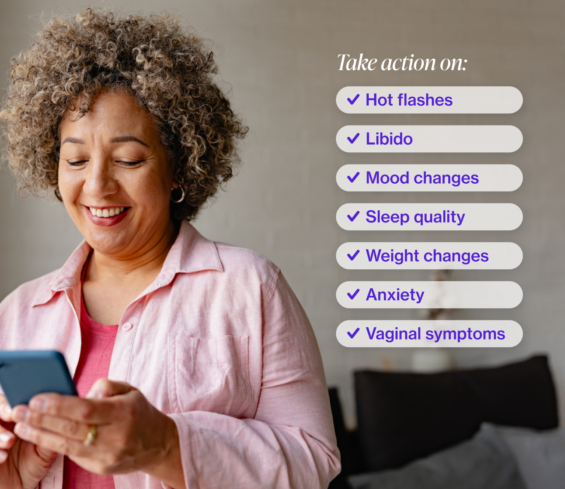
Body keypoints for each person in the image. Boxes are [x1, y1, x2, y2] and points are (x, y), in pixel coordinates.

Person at [0, 8, 341, 489]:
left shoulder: (251, 288)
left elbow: (314, 461)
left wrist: (166, 443)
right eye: (74, 158)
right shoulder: (17, 314)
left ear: (179, 165)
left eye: (128, 159)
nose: (96, 185)